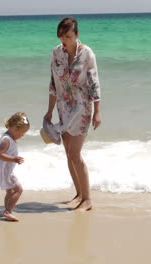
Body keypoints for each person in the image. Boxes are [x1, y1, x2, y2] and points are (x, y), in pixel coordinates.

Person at [44, 17, 101, 211]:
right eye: (62, 36)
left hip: (82, 108)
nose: (64, 40)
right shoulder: (56, 53)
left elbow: (94, 83)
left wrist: (97, 112)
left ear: (77, 35)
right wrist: (49, 111)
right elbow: (53, 84)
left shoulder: (87, 54)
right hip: (63, 108)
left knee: (75, 154)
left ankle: (88, 200)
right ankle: (78, 195)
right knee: (68, 154)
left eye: (68, 36)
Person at [0, 112, 30, 221]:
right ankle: (8, 211)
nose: (22, 136)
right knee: (19, 190)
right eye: (22, 133)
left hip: (5, 170)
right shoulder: (6, 140)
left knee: (10, 191)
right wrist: (14, 159)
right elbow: (0, 155)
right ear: (15, 128)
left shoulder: (8, 137)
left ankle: (7, 210)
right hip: (6, 171)